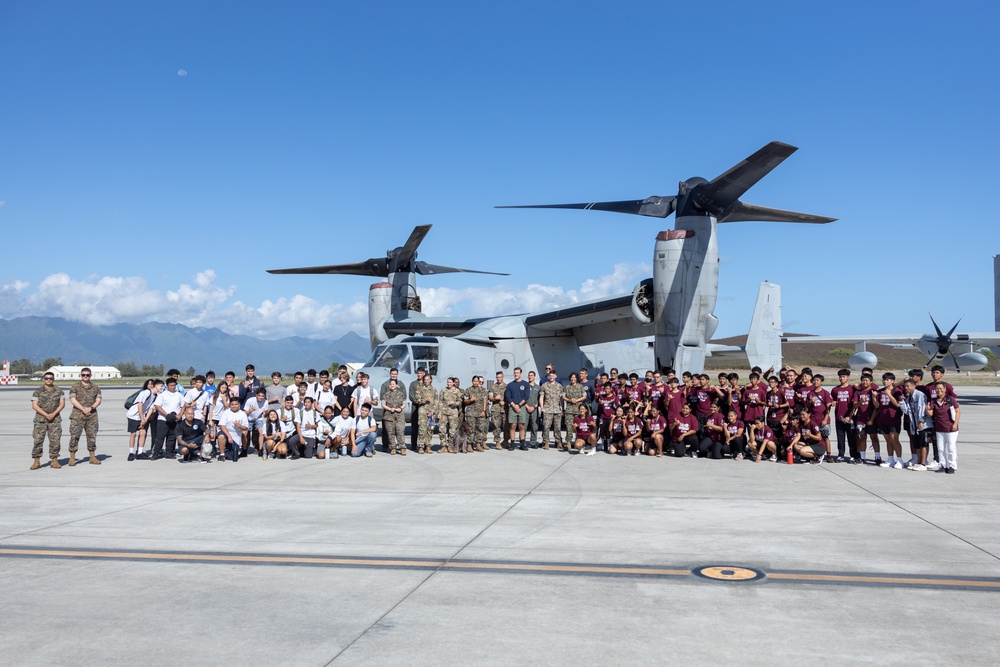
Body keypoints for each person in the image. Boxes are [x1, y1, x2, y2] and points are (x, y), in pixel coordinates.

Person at [67, 367, 102, 466]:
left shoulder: (96, 388)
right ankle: (72, 457)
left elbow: (98, 400)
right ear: (81, 375)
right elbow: (72, 399)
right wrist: (83, 409)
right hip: (77, 415)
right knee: (74, 436)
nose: (85, 376)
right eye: (83, 375)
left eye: (87, 375)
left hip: (92, 416)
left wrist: (90, 408)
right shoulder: (75, 386)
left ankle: (92, 457)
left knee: (92, 437)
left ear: (90, 375)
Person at [31, 371, 65, 470]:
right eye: (46, 378)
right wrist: (46, 414)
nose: (48, 380)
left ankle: (54, 460)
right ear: (43, 379)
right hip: (40, 419)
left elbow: (62, 404)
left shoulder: (59, 391)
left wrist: (53, 414)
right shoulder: (38, 391)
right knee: (38, 440)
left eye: (50, 378)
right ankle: (36, 460)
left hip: (55, 420)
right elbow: (34, 405)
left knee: (55, 440)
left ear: (53, 379)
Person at [927, 381, 960, 474]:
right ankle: (942, 465)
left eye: (941, 388)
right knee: (940, 448)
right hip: (939, 428)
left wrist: (955, 423)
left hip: (950, 428)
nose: (939, 390)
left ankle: (952, 465)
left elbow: (957, 411)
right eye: (937, 388)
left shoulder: (951, 399)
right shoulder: (934, 401)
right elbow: (931, 414)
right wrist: (927, 409)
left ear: (945, 389)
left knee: (951, 448)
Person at [871, 372, 903, 468]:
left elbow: (898, 404)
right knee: (888, 440)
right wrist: (873, 397)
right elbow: (877, 406)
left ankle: (900, 460)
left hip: (893, 419)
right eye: (884, 380)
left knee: (894, 439)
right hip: (883, 418)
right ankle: (890, 459)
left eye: (887, 380)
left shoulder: (897, 391)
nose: (885, 381)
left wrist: (889, 394)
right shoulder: (881, 391)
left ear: (892, 381)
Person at [900, 379, 932, 471]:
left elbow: (922, 409)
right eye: (905, 386)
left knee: (923, 444)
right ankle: (918, 462)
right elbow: (907, 411)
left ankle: (923, 463)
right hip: (914, 425)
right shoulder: (909, 397)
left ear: (914, 386)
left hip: (923, 424)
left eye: (908, 386)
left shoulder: (920, 395)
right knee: (917, 444)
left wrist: (921, 421)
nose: (906, 388)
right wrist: (902, 402)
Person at [152, 377, 185, 460]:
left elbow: (183, 406)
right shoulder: (162, 395)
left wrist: (180, 415)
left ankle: (169, 453)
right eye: (171, 385)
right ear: (167, 385)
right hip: (163, 419)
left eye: (174, 385)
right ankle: (156, 453)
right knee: (160, 437)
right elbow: (158, 406)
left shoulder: (179, 395)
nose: (173, 387)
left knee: (172, 437)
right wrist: (166, 415)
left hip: (175, 419)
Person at [125, 378, 159, 461]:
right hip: (133, 415)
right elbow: (140, 405)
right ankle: (131, 452)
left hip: (142, 416)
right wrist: (142, 418)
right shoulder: (145, 393)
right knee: (133, 434)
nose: (150, 386)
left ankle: (140, 452)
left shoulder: (155, 396)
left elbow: (151, 408)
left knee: (143, 433)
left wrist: (145, 420)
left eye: (152, 384)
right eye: (149, 384)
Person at [831, 370, 857, 462]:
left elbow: (855, 405)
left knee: (851, 437)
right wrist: (832, 403)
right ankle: (841, 454)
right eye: (840, 377)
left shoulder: (853, 389)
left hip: (849, 418)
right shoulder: (835, 390)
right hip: (839, 417)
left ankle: (853, 455)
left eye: (844, 377)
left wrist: (850, 416)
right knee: (840, 438)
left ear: (848, 377)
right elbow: (832, 401)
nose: (842, 378)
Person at [505, 367, 530, 450]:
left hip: (521, 407)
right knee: (513, 426)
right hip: (512, 407)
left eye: (517, 373)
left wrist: (519, 405)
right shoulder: (510, 385)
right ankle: (512, 444)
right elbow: (508, 397)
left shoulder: (526, 384)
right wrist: (514, 406)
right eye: (515, 373)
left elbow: (526, 396)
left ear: (521, 373)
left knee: (521, 426)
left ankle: (522, 443)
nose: (516, 374)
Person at [218, 397, 250, 462]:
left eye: (236, 404)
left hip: (236, 437)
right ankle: (222, 454)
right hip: (226, 433)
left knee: (232, 457)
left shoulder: (243, 414)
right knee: (221, 436)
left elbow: (245, 427)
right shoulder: (226, 413)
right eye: (232, 404)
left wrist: (239, 426)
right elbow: (222, 425)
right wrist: (229, 436)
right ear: (230, 405)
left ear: (239, 404)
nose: (234, 406)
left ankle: (228, 451)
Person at [538, 370, 563, 450]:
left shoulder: (559, 386)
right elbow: (541, 397)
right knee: (546, 427)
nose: (551, 377)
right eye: (550, 376)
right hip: (547, 409)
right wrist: (542, 407)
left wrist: (562, 408)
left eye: (553, 376)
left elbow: (561, 398)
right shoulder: (544, 386)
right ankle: (546, 443)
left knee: (558, 428)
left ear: (555, 376)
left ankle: (558, 442)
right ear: (548, 376)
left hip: (557, 409)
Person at [382, 377, 408, 455]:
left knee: (400, 431)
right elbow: (383, 404)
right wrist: (390, 409)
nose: (392, 385)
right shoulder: (386, 394)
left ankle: (402, 447)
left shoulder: (401, 394)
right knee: (390, 432)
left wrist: (400, 408)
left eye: (394, 384)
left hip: (399, 416)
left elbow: (404, 404)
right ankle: (393, 447)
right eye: (391, 384)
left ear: (396, 385)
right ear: (389, 386)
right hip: (389, 416)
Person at [463, 375, 489, 452]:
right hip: (471, 413)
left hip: (480, 413)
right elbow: (465, 401)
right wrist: (471, 400)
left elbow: (485, 401)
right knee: (470, 429)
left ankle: (478, 444)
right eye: (474, 381)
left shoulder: (483, 390)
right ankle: (469, 445)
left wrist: (484, 411)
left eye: (477, 381)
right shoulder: (468, 390)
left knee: (480, 429)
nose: (476, 383)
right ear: (472, 381)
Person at [561, 373, 586, 449]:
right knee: (569, 427)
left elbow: (584, 396)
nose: (573, 379)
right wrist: (569, 400)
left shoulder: (581, 387)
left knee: (578, 427)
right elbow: (563, 396)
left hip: (578, 410)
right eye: (571, 377)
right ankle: (568, 443)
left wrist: (577, 400)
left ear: (577, 378)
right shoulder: (567, 387)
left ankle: (577, 442)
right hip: (569, 410)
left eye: (574, 377)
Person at [438, 376, 463, 453]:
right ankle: (443, 446)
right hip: (444, 413)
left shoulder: (457, 391)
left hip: (453, 413)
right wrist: (439, 412)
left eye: (450, 382)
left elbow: (460, 401)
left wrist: (455, 403)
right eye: (448, 382)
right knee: (441, 429)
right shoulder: (443, 390)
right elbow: (440, 402)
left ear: (453, 383)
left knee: (452, 431)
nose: (449, 384)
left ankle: (450, 446)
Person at [414, 374, 438, 454]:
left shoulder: (434, 390)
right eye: (425, 380)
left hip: (431, 412)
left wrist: (433, 411)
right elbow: (417, 400)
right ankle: (421, 446)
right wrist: (425, 400)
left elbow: (436, 401)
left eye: (428, 379)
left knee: (430, 429)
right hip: (423, 411)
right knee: (422, 429)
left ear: (431, 380)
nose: (426, 381)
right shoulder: (419, 389)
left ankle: (428, 446)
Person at [488, 371, 508, 450]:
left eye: (500, 377)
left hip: (505, 409)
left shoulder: (507, 387)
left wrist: (505, 402)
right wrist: (495, 398)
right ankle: (497, 442)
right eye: (497, 377)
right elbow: (489, 398)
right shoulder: (493, 387)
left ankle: (506, 441)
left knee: (506, 426)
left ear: (503, 377)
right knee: (496, 426)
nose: (499, 379)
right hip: (495, 409)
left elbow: (510, 398)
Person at [408, 367, 426, 449]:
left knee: (424, 426)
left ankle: (424, 444)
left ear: (424, 374)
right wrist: (418, 401)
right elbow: (411, 395)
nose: (419, 375)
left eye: (421, 373)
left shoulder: (426, 383)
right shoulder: (413, 384)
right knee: (415, 426)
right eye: (418, 373)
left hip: (425, 407)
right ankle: (414, 444)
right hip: (415, 407)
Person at [524, 371, 541, 447]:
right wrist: (527, 406)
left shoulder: (538, 387)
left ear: (534, 377)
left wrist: (535, 406)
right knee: (524, 425)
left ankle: (533, 441)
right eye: (529, 375)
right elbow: (522, 397)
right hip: (525, 408)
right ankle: (522, 441)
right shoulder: (524, 386)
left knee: (534, 425)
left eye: (532, 375)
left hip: (535, 408)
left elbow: (540, 399)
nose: (530, 377)